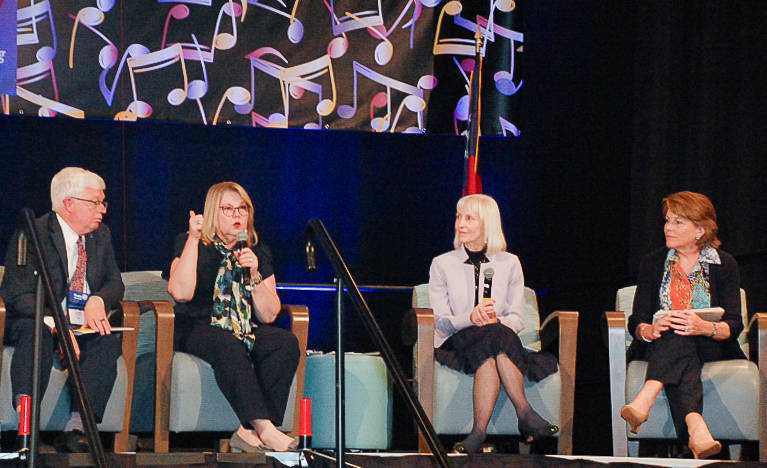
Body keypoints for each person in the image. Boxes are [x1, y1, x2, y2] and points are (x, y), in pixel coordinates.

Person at [166, 182, 299, 453]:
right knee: (227, 343)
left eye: (242, 208)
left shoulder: (257, 251)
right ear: (213, 213)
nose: (237, 214)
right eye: (228, 209)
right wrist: (193, 239)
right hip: (198, 325)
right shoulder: (190, 242)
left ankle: (247, 431)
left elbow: (270, 314)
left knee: (284, 343)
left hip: (243, 326)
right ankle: (266, 429)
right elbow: (180, 293)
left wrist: (255, 274)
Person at [0, 167, 124, 453]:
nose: (102, 210)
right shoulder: (33, 232)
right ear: (69, 203)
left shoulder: (100, 236)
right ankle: (26, 428)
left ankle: (78, 428)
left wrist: (99, 300)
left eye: (103, 202)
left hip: (81, 324)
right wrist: (58, 325)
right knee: (37, 334)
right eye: (94, 202)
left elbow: (114, 282)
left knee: (106, 341)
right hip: (36, 321)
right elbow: (17, 294)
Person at [428, 194, 559, 454]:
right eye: (458, 218)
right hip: (457, 340)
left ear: (486, 224)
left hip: (499, 337)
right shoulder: (442, 264)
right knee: (493, 335)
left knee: (492, 340)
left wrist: (494, 321)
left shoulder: (509, 263)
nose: (460, 224)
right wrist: (471, 318)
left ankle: (478, 433)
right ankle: (525, 413)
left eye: (469, 218)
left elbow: (517, 318)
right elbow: (440, 320)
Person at [621, 191, 744, 460]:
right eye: (667, 220)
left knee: (682, 332)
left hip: (712, 345)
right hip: (661, 344)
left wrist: (705, 327)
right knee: (674, 330)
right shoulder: (653, 263)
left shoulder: (725, 264)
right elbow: (636, 320)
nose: (668, 228)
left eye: (678, 222)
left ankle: (646, 396)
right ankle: (696, 426)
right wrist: (649, 330)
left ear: (700, 229)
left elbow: (734, 324)